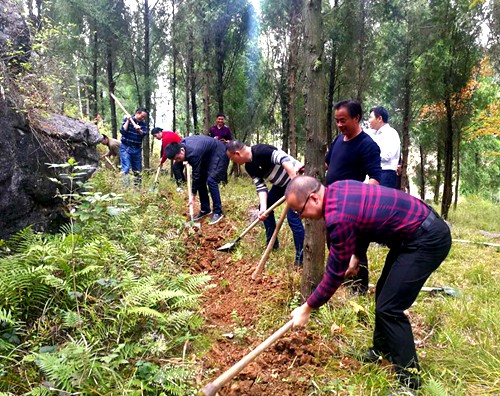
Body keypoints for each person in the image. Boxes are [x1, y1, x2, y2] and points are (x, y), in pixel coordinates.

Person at [286, 176, 451, 392]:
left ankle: (409, 382)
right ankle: (381, 351)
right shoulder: (337, 189)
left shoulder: (337, 218)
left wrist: (307, 307)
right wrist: (355, 253)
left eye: (300, 211)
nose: (301, 217)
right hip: (412, 235)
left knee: (390, 308)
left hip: (426, 239)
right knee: (384, 295)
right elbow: (363, 218)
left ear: (314, 198)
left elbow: (334, 274)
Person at [325, 99, 382, 294]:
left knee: (355, 249)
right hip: (330, 203)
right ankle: (340, 285)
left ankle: (359, 291)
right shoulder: (338, 140)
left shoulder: (368, 145)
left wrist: (362, 202)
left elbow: (375, 178)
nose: (339, 125)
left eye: (343, 120)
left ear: (356, 118)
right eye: (337, 121)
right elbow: (328, 164)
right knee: (334, 245)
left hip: (350, 208)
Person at [226, 140, 304, 265]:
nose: (234, 163)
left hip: (298, 180)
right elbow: (261, 187)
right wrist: (263, 209)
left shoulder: (261, 151)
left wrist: (294, 180)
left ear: (237, 154)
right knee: (266, 207)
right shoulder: (249, 166)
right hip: (280, 185)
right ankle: (272, 245)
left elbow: (284, 159)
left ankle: (301, 258)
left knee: (292, 217)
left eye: (232, 159)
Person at [164, 136, 229, 225]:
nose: (178, 161)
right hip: (207, 155)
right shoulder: (182, 144)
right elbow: (198, 177)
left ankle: (218, 212)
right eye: (175, 160)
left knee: (211, 180)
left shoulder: (193, 152)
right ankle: (205, 209)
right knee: (201, 181)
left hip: (219, 151)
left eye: (178, 158)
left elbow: (196, 175)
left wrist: (193, 194)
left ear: (182, 150)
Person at [368, 106, 401, 189]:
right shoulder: (374, 134)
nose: (369, 121)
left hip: (386, 175)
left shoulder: (391, 133)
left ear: (379, 118)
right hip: (375, 174)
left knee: (382, 201)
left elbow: (386, 156)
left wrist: (368, 155)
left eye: (371, 117)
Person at [119, 107, 148, 187]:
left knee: (138, 170)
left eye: (144, 117)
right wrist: (128, 121)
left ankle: (138, 188)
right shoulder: (127, 119)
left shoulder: (143, 124)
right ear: (137, 113)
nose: (142, 119)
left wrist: (139, 130)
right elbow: (122, 131)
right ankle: (126, 189)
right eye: (142, 116)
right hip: (126, 148)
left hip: (137, 149)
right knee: (126, 168)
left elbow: (144, 133)